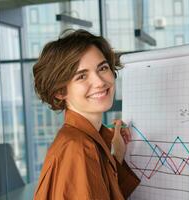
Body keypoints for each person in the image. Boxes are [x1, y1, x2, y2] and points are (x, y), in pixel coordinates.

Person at [32, 29, 140, 199]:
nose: (99, 82)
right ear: (60, 91)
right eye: (82, 76)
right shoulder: (78, 147)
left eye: (103, 68)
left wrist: (116, 157)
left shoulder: (88, 140)